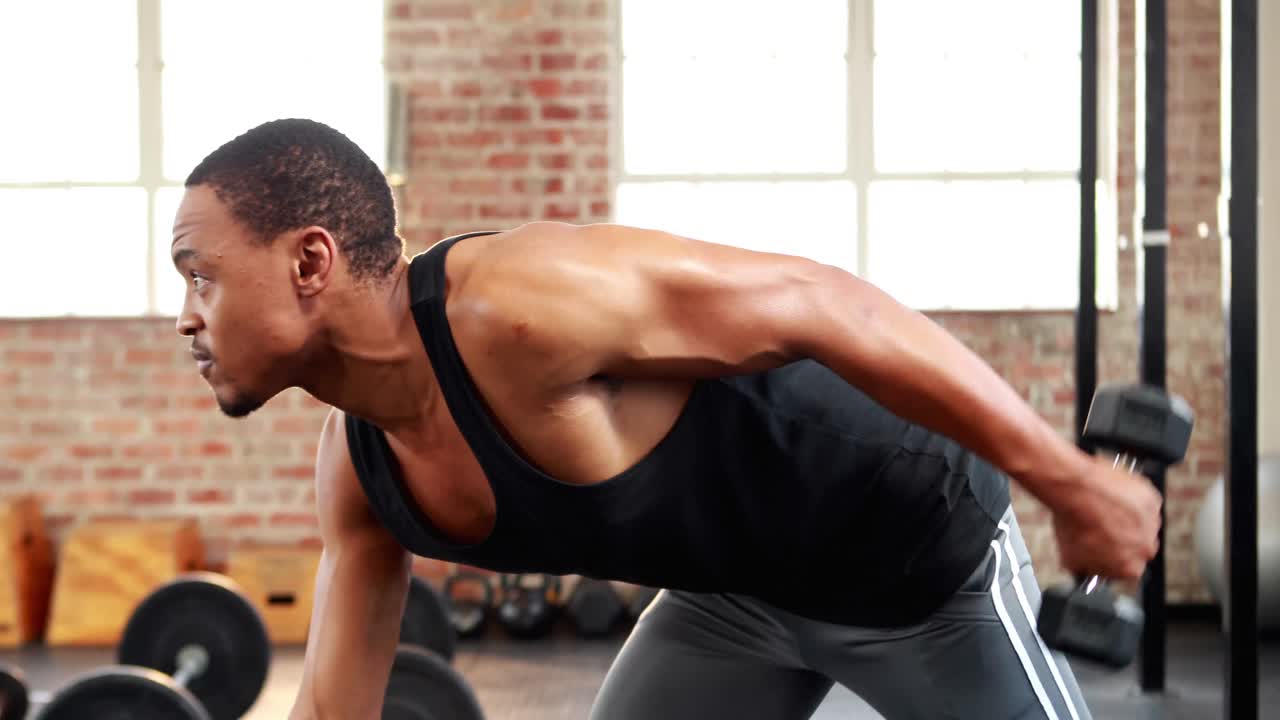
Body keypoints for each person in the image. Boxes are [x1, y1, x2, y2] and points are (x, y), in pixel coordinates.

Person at [170, 118, 1161, 720]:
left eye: (198, 275)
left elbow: (823, 301)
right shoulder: (360, 469)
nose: (184, 317)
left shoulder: (518, 303)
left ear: (309, 263)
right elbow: (336, 706)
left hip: (908, 560)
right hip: (727, 600)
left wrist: (1066, 482)